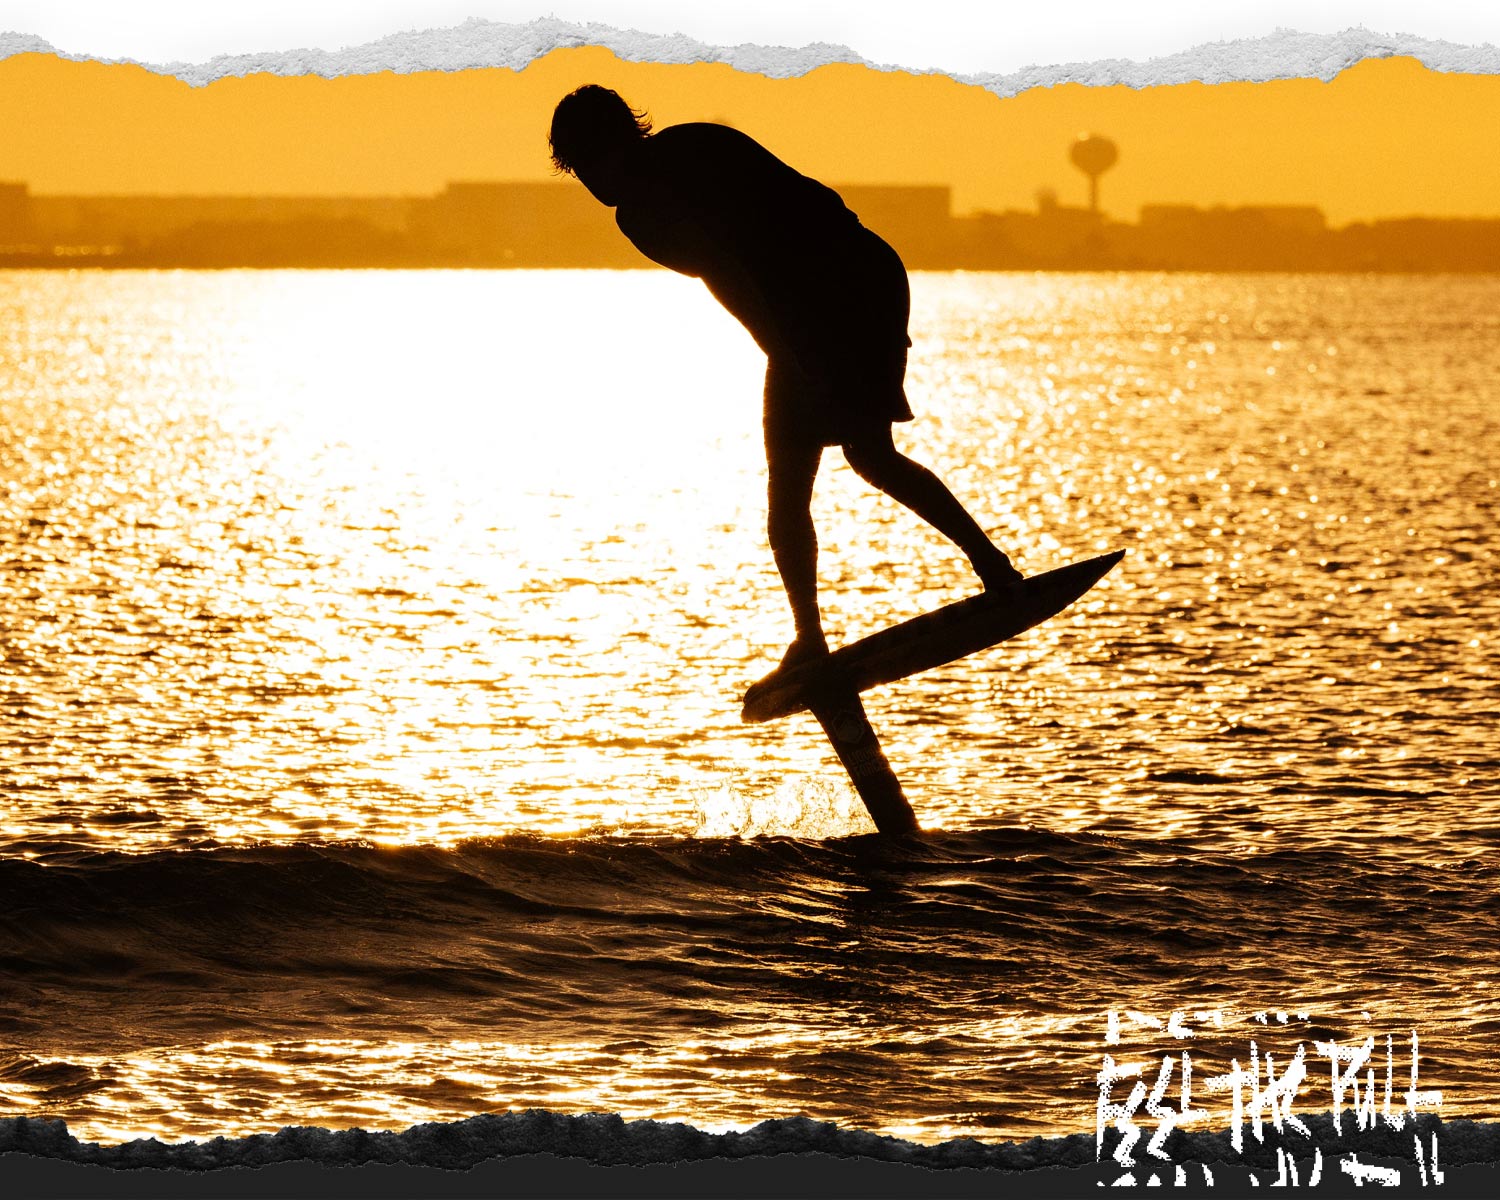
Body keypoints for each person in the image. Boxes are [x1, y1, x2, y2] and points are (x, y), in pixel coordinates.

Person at [548, 85, 1023, 676]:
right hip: (798, 319)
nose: (593, 182)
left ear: (623, 142)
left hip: (857, 285)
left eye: (595, 162)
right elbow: (729, 286)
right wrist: (789, 353)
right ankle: (809, 640)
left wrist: (798, 355)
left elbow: (754, 256)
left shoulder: (695, 150)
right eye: (579, 171)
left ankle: (994, 570)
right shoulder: (638, 216)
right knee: (790, 481)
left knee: (870, 453)